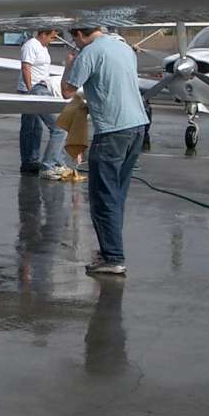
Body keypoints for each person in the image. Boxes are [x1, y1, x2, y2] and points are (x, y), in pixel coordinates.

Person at [62, 24, 149, 276]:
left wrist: (70, 63)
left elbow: (67, 91)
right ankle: (110, 249)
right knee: (117, 194)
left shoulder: (89, 53)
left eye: (74, 39)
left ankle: (113, 257)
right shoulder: (123, 47)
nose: (75, 44)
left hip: (112, 131)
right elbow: (113, 86)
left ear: (79, 34)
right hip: (137, 126)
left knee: (102, 197)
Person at [18, 28, 68, 176]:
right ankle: (29, 162)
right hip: (31, 90)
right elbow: (26, 68)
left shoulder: (43, 47)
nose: (52, 41)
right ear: (43, 34)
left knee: (36, 128)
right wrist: (30, 90)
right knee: (30, 127)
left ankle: (33, 160)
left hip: (41, 89)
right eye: (52, 38)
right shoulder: (31, 45)